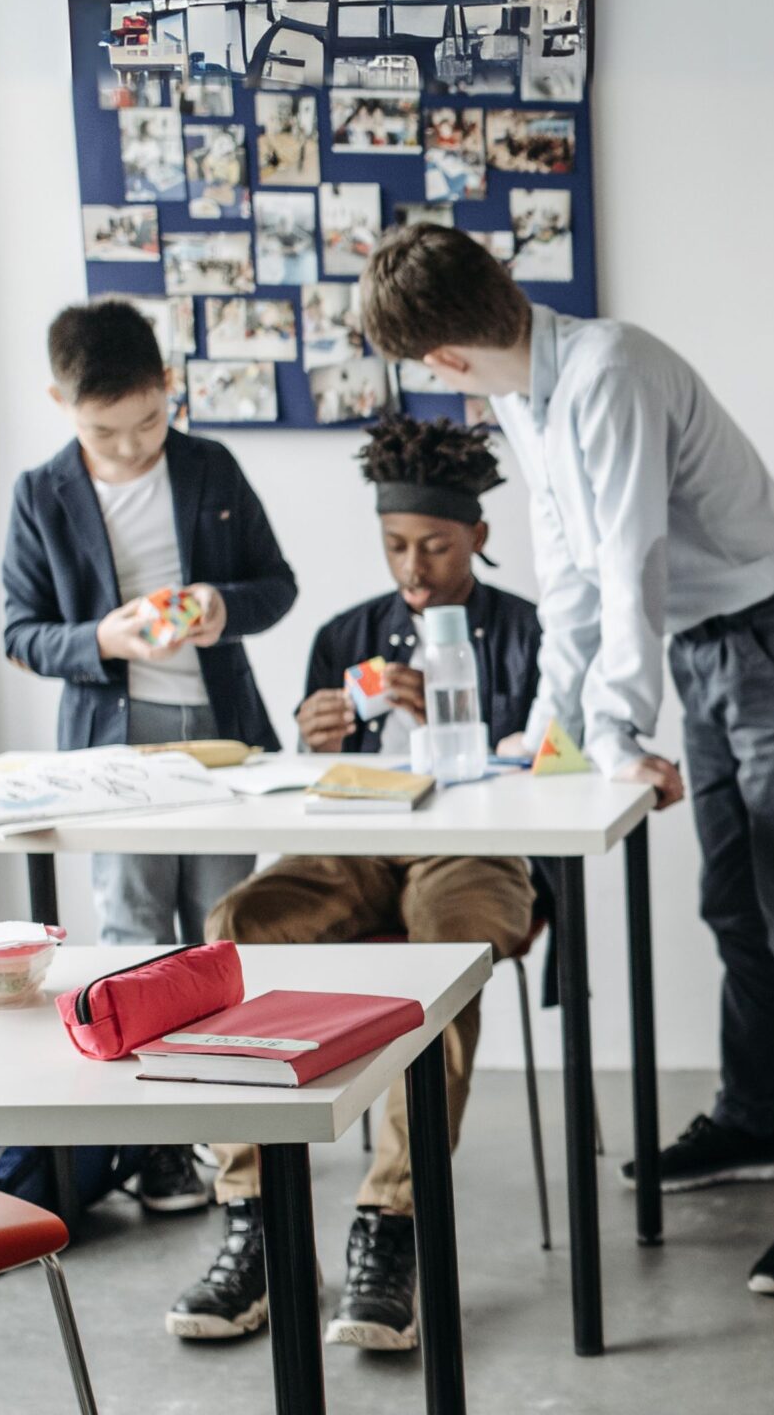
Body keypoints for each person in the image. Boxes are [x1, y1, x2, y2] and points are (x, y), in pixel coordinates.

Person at [355, 223, 774, 1297]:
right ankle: (752, 1122)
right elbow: (571, 577)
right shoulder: (524, 392)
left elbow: (629, 556)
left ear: (440, 359)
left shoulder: (610, 370)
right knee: (734, 906)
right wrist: (552, 731)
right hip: (706, 648)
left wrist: (615, 731)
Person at [165, 415, 543, 1350]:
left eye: (436, 547)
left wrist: (466, 718)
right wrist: (318, 738)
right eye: (395, 547)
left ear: (478, 539)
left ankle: (394, 1225)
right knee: (239, 923)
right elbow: (305, 789)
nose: (414, 568)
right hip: (357, 838)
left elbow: (555, 763)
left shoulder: (531, 631)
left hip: (477, 847)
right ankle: (254, 1216)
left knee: (446, 959)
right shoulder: (345, 633)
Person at [1, 300, 296, 1218]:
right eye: (105, 430)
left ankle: (229, 1133)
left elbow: (276, 585)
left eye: (148, 422)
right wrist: (103, 638)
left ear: (170, 387)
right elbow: (22, 633)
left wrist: (218, 605)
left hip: (217, 741)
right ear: (60, 401)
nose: (130, 447)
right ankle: (158, 1146)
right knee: (132, 939)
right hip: (110, 750)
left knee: (219, 932)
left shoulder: (211, 466)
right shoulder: (40, 492)